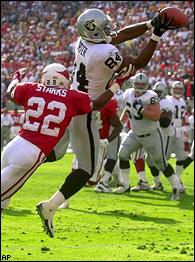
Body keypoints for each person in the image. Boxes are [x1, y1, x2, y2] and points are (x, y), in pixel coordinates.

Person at [36, 8, 177, 238]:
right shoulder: (105, 53)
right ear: (94, 30)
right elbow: (138, 62)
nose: (110, 27)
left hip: (73, 102)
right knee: (87, 171)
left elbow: (119, 35)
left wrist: (150, 24)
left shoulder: (83, 41)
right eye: (104, 25)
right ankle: (49, 206)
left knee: (57, 154)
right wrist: (156, 35)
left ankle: (21, 167)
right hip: (85, 111)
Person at [1, 63, 121, 211]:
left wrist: (16, 77)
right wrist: (117, 84)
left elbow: (10, 92)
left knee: (3, 202)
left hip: (13, 145)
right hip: (32, 153)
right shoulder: (72, 97)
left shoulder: (29, 87)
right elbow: (97, 104)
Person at [116, 73, 180, 200]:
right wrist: (120, 123)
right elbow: (128, 109)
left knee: (161, 163)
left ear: (147, 85)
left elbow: (156, 116)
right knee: (122, 154)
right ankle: (125, 185)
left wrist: (142, 110)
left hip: (152, 135)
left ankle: (176, 188)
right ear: (133, 84)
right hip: (135, 133)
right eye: (138, 84)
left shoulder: (151, 96)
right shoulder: (128, 93)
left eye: (142, 84)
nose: (140, 86)